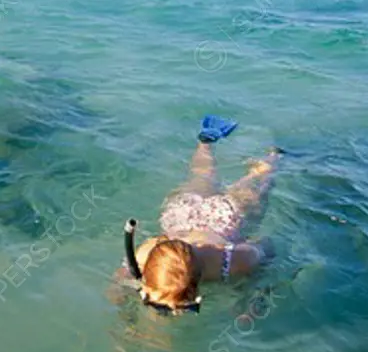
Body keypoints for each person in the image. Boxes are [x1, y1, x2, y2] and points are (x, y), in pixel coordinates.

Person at [116, 115, 281, 314]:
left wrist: (253, 298)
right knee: (201, 177)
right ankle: (206, 141)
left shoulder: (235, 261)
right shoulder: (144, 255)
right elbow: (119, 282)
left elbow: (266, 248)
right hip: (185, 212)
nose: (174, 313)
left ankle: (274, 155)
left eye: (186, 307)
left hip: (220, 215)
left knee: (258, 184)